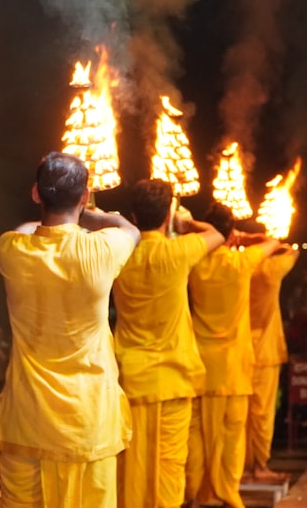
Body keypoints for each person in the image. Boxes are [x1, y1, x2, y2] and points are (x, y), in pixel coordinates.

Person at [0, 151, 141, 508]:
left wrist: (63, 207)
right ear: (85, 196)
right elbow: (130, 230)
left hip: (26, 422)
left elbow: (26, 229)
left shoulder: (11, 250)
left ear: (35, 194)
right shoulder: (100, 251)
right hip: (87, 422)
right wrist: (89, 214)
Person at [111, 178, 224, 508]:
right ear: (167, 214)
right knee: (169, 469)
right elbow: (217, 235)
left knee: (129, 468)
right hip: (173, 381)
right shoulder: (178, 252)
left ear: (133, 214)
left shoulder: (118, 254)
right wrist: (185, 223)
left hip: (130, 378)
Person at [184, 203, 280, 508]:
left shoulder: (195, 261)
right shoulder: (242, 263)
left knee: (198, 435)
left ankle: (197, 494)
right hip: (235, 368)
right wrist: (244, 237)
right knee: (231, 435)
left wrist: (210, 233)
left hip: (202, 365)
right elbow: (275, 242)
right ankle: (228, 494)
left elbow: (179, 233)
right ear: (230, 233)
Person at [246, 243, 300, 483]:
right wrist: (270, 241)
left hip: (240, 349)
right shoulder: (270, 270)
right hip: (265, 352)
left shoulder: (240, 267)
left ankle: (239, 466)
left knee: (241, 415)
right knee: (262, 413)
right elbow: (293, 251)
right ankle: (259, 465)